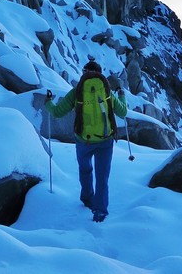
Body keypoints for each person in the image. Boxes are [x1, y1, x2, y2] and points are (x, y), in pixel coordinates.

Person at [45, 58, 128, 222]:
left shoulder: (77, 92)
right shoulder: (106, 91)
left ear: (84, 73)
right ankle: (100, 212)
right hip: (105, 141)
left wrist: (48, 102)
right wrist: (122, 95)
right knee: (102, 177)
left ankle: (87, 197)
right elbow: (123, 112)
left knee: (85, 169)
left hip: (83, 140)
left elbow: (57, 112)